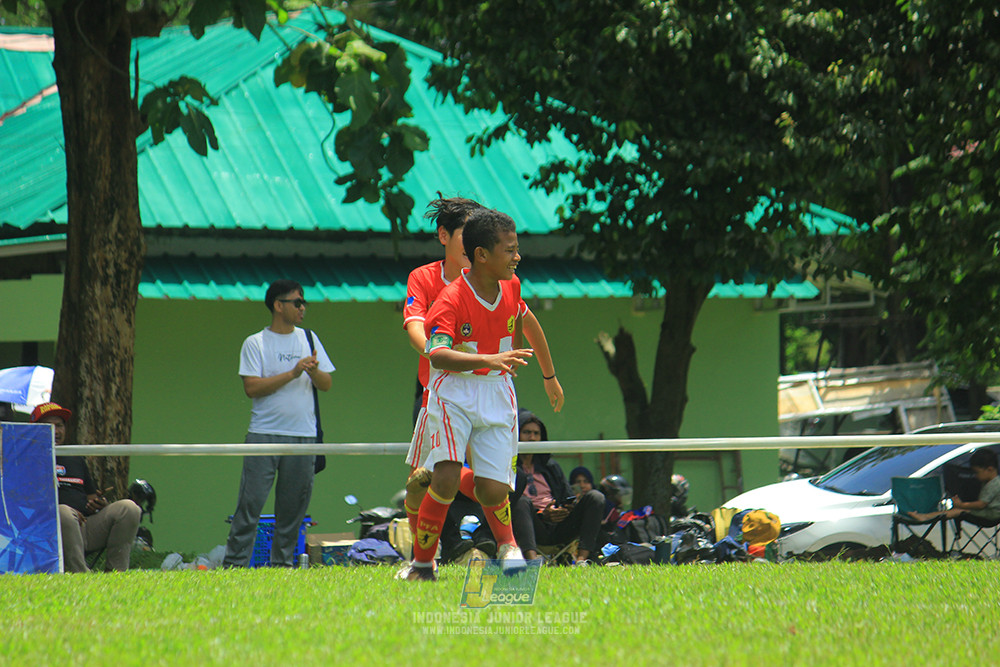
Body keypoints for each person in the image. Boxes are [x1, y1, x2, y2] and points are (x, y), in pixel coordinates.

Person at [399, 196, 565, 550]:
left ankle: (504, 548)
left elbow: (525, 320)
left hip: (490, 389)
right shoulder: (429, 281)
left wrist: (548, 375)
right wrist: (444, 352)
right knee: (424, 481)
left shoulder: (504, 281)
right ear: (448, 237)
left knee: (491, 482)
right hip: (440, 391)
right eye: (467, 231)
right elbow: (417, 330)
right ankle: (423, 554)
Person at [223, 279, 334, 568]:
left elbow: (327, 384)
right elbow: (251, 388)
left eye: (304, 302)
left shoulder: (309, 338)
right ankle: (234, 566)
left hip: (304, 437)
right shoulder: (255, 343)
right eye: (297, 302)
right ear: (278, 305)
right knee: (250, 506)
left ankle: (282, 568)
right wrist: (293, 372)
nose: (303, 307)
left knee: (292, 510)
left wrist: (313, 372)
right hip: (264, 435)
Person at [31, 402, 141, 573]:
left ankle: (117, 574)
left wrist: (98, 505)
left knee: (129, 508)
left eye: (59, 425)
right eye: (49, 426)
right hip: (47, 532)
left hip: (84, 528)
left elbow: (91, 497)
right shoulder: (26, 460)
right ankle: (81, 574)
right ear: (34, 430)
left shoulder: (75, 457)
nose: (56, 431)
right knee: (63, 512)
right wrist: (67, 511)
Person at [516, 411, 606, 565]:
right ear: (516, 435)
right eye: (526, 433)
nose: (532, 438)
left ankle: (581, 560)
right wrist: (542, 515)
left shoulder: (551, 467)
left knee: (596, 497)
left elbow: (567, 497)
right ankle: (532, 562)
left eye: (536, 434)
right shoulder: (509, 466)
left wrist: (564, 509)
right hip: (531, 526)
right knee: (521, 501)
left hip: (559, 526)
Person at [909, 448, 1000, 523]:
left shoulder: (993, 485)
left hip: (991, 514)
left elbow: (981, 505)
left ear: (990, 469)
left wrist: (962, 505)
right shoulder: (993, 482)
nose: (976, 476)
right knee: (956, 510)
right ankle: (927, 516)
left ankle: (926, 517)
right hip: (992, 512)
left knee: (957, 511)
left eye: (977, 472)